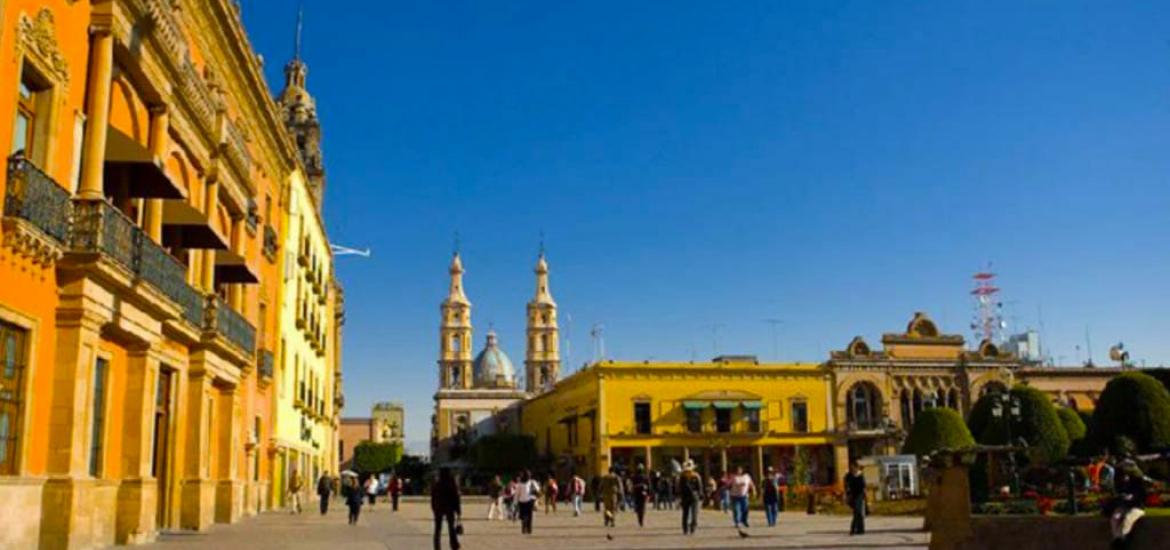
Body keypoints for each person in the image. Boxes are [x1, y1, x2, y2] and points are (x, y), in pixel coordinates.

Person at [1109, 464, 1147, 545]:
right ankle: (1118, 538)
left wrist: (1133, 497)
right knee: (1115, 518)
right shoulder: (1122, 484)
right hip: (1125, 506)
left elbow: (1142, 497)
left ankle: (1122, 538)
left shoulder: (1139, 484)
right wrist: (1121, 497)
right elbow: (1119, 495)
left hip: (1137, 507)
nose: (1124, 478)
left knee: (1128, 519)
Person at [431, 467, 462, 550]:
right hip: (449, 508)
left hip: (438, 508)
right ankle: (454, 544)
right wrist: (458, 511)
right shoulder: (451, 484)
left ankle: (437, 546)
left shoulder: (437, 484)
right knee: (451, 528)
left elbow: (433, 498)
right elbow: (456, 498)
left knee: (437, 529)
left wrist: (433, 508)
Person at [677, 459, 705, 535]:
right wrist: (679, 497)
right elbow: (679, 488)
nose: (688, 472)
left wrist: (701, 495)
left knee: (694, 514)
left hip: (694, 497)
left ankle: (693, 527)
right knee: (685, 513)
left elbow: (700, 487)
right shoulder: (682, 477)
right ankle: (685, 528)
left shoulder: (696, 476)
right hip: (685, 497)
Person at [515, 470, 541, 534]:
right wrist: (515, 502)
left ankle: (529, 529)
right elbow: (517, 494)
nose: (528, 476)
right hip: (522, 501)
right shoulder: (520, 484)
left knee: (529, 515)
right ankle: (524, 528)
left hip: (530, 500)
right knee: (523, 516)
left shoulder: (532, 482)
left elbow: (538, 490)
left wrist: (535, 493)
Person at [845, 461, 867, 536]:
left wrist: (865, 495)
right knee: (857, 512)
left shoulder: (860, 475)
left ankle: (855, 529)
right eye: (851, 467)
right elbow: (846, 485)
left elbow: (863, 486)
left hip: (859, 495)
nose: (852, 469)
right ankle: (859, 529)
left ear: (856, 467)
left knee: (858, 512)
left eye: (853, 467)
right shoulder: (849, 475)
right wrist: (847, 495)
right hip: (852, 495)